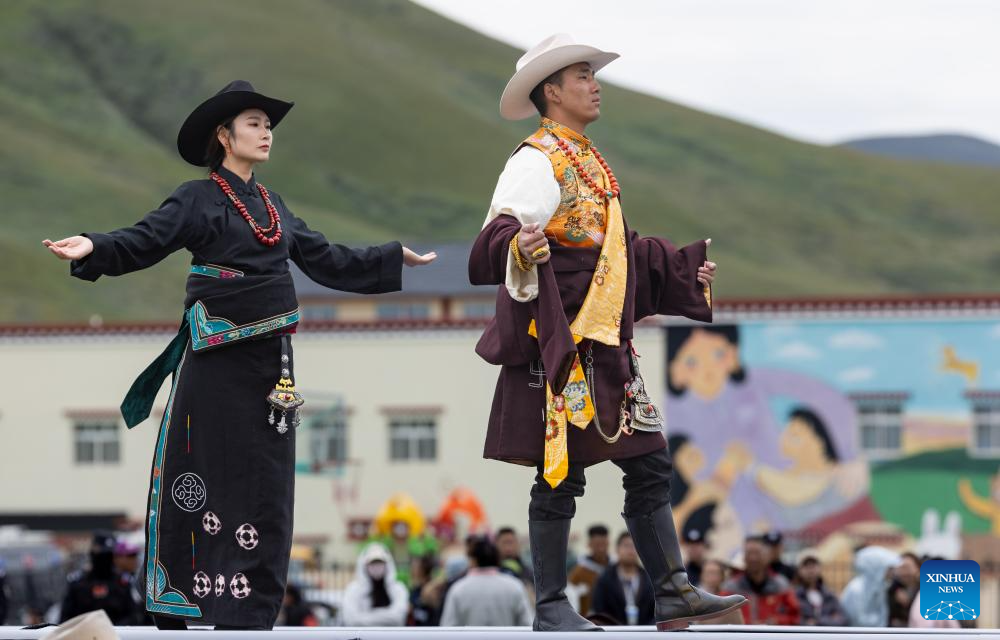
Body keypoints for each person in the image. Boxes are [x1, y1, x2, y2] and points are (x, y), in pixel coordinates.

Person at [43, 81, 435, 630]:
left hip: (272, 369)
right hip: (215, 365)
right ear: (224, 136)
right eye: (254, 122)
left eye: (268, 124)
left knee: (265, 486)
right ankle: (184, 593)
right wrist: (93, 246)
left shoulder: (274, 206)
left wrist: (392, 258)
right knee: (198, 472)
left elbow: (326, 258)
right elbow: (147, 237)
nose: (266, 131)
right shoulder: (196, 198)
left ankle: (248, 608)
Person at [468, 32, 744, 632]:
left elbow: (618, 251)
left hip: (608, 345)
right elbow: (498, 233)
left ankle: (672, 592)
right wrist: (520, 242)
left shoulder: (591, 161)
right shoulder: (535, 158)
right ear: (552, 91)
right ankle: (549, 607)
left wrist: (680, 271)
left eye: (593, 75)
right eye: (582, 76)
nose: (595, 85)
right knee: (560, 471)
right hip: (562, 344)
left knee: (649, 462)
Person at [440, 537, 532, 627]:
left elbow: (448, 628)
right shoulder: (515, 586)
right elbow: (527, 624)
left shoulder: (458, 589)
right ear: (497, 558)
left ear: (473, 560)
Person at [720, 536, 800, 625]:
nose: (753, 558)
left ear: (767, 556)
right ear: (744, 557)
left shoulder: (781, 585)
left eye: (757, 553)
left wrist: (776, 621)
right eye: (749, 553)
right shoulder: (731, 587)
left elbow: (795, 617)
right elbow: (720, 616)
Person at [60, 533, 137, 625]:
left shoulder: (123, 583)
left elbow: (133, 616)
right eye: (101, 555)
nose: (104, 560)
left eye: (108, 556)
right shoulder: (78, 583)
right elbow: (65, 618)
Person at [591, 533, 655, 626]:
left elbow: (655, 612)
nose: (630, 550)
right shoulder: (604, 579)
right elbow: (599, 611)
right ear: (617, 549)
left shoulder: (650, 579)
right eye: (626, 545)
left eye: (634, 546)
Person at [341, 543, 409, 627]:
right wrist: (387, 615)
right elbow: (351, 620)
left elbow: (398, 618)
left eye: (380, 562)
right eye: (372, 563)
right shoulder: (353, 590)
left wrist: (364, 616)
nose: (376, 566)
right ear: (364, 565)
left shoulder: (399, 588)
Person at [840, 546, 900, 627]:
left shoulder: (878, 587)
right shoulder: (857, 590)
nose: (893, 573)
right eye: (890, 568)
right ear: (878, 568)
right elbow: (858, 620)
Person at [794, 554, 848, 626]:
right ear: (799, 570)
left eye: (813, 565)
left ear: (820, 568)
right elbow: (793, 620)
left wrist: (817, 622)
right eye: (806, 565)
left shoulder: (829, 595)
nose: (810, 570)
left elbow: (842, 620)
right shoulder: (793, 596)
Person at [568, 524, 610, 616]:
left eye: (604, 544)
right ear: (589, 544)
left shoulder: (615, 568)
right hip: (588, 620)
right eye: (597, 545)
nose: (601, 549)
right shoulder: (579, 571)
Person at [887, 552, 920, 627]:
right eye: (900, 568)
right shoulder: (892, 589)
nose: (903, 572)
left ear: (918, 568)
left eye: (907, 568)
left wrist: (909, 603)